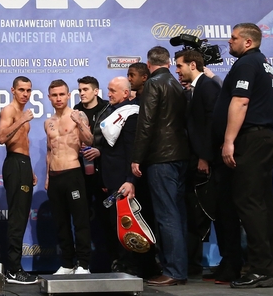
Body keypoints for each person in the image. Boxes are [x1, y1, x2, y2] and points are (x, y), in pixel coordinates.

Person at [213, 23, 273, 288]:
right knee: (263, 205)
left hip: (249, 140)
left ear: (248, 42)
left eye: (234, 38)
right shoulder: (263, 63)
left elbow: (240, 101)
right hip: (262, 139)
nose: (229, 42)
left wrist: (228, 140)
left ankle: (260, 269)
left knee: (250, 205)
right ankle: (269, 267)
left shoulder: (246, 64)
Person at [131, 46, 190, 286]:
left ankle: (174, 270)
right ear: (168, 62)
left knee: (167, 216)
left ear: (149, 64)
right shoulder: (177, 84)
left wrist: (136, 157)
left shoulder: (154, 84)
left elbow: (146, 123)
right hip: (180, 156)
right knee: (176, 214)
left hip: (161, 157)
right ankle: (178, 267)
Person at [174, 49, 222, 279]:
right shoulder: (193, 90)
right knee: (195, 216)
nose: (177, 70)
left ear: (193, 65)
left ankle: (232, 263)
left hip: (208, 162)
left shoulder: (208, 86)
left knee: (218, 214)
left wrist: (205, 156)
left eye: (180, 66)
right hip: (196, 160)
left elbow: (213, 124)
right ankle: (195, 264)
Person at [107, 73, 160, 279]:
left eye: (113, 91)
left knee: (133, 226)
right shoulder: (112, 112)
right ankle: (126, 265)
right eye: (109, 90)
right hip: (113, 179)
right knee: (118, 227)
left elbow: (132, 151)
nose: (108, 94)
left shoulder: (131, 115)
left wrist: (130, 181)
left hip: (125, 181)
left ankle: (142, 268)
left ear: (126, 93)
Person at [44, 79, 93, 275]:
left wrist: (80, 123)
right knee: (60, 222)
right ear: (49, 97)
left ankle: (83, 264)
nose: (58, 98)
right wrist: (47, 177)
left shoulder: (78, 115)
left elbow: (89, 140)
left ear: (68, 95)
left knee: (80, 221)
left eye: (61, 94)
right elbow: (49, 151)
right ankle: (66, 263)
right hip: (55, 176)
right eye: (54, 95)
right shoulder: (48, 122)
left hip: (73, 173)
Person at [0, 76, 39, 285]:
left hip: (23, 164)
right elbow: (1, 137)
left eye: (28, 90)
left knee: (21, 217)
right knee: (17, 217)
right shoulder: (9, 111)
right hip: (14, 163)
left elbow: (25, 143)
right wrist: (21, 121)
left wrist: (30, 169)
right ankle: (13, 270)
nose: (25, 94)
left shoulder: (21, 113)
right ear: (13, 90)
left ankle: (15, 268)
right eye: (21, 90)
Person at [72, 76, 111, 271]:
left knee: (109, 218)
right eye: (80, 90)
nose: (82, 93)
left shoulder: (108, 109)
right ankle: (83, 263)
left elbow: (117, 141)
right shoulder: (75, 111)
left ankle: (116, 260)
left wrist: (100, 151)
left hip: (104, 172)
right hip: (80, 171)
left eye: (86, 89)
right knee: (82, 218)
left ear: (96, 91)